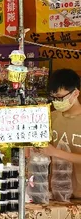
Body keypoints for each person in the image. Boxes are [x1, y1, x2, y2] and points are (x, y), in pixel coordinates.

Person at [41, 69, 81, 199]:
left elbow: (51, 151)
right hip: (56, 193)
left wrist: (55, 152)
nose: (56, 101)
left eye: (60, 97)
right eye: (53, 97)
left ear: (75, 93)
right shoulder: (50, 117)